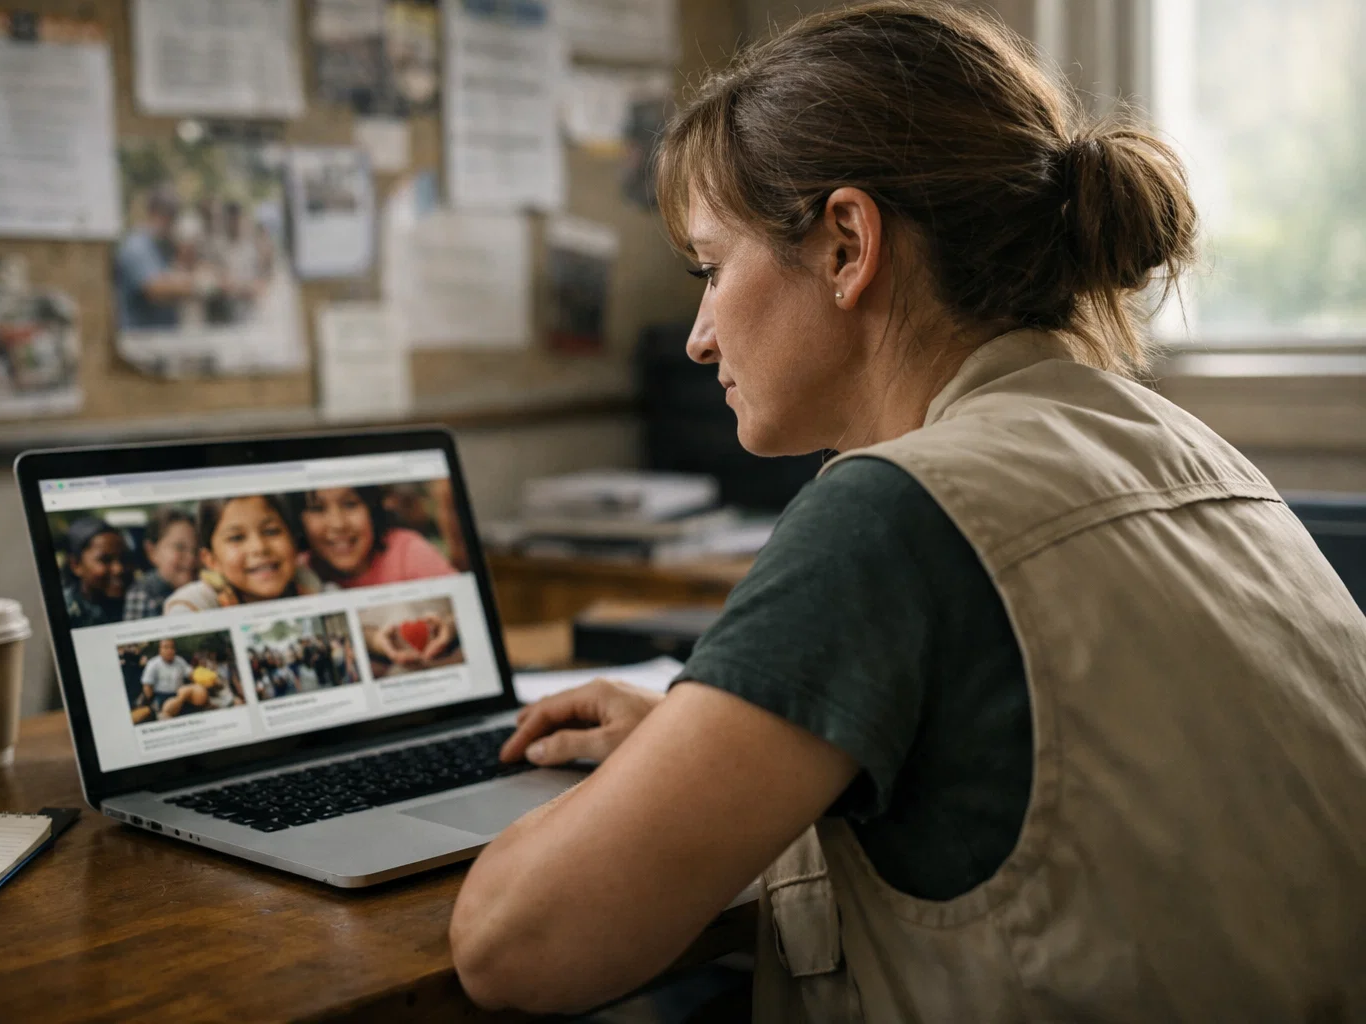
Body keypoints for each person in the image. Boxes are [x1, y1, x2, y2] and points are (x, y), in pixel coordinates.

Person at [448, 3, 1366, 1020]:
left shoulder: (892, 515)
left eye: (713, 266)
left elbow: (511, 945)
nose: (699, 336)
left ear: (847, 243)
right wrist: (703, 748)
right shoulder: (1196, 454)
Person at [164, 495, 322, 613]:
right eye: (236, 537)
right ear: (211, 560)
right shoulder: (195, 605)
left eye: (271, 531)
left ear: (294, 542)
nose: (259, 547)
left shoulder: (317, 590)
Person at [297, 486, 457, 589]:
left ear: (372, 510)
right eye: (317, 509)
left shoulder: (408, 552)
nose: (338, 524)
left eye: (350, 504)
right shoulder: (300, 571)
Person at [114, 189, 196, 331]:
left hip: (161, 340)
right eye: (171, 217)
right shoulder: (136, 245)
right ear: (157, 214)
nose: (173, 224)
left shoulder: (161, 247)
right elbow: (155, 289)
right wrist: (199, 285)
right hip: (140, 342)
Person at [123, 507, 198, 620]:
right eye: (179, 547)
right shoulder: (143, 595)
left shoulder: (202, 589)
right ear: (152, 552)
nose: (191, 558)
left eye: (196, 549)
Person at [61, 516, 128, 629]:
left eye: (124, 558)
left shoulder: (135, 603)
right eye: (105, 560)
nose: (119, 569)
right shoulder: (67, 613)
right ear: (76, 565)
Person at [139, 638, 199, 720]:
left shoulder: (180, 661)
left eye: (172, 647)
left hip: (180, 695)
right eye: (166, 647)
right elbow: (147, 686)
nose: (169, 650)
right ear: (160, 650)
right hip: (161, 696)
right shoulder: (153, 664)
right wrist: (151, 701)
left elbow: (191, 675)